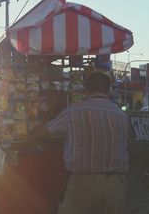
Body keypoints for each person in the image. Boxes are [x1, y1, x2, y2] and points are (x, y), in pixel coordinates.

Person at [46, 71, 129, 214]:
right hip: (116, 183)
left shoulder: (74, 112)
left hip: (83, 183)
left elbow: (47, 131)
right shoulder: (121, 115)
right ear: (109, 90)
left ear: (86, 90)